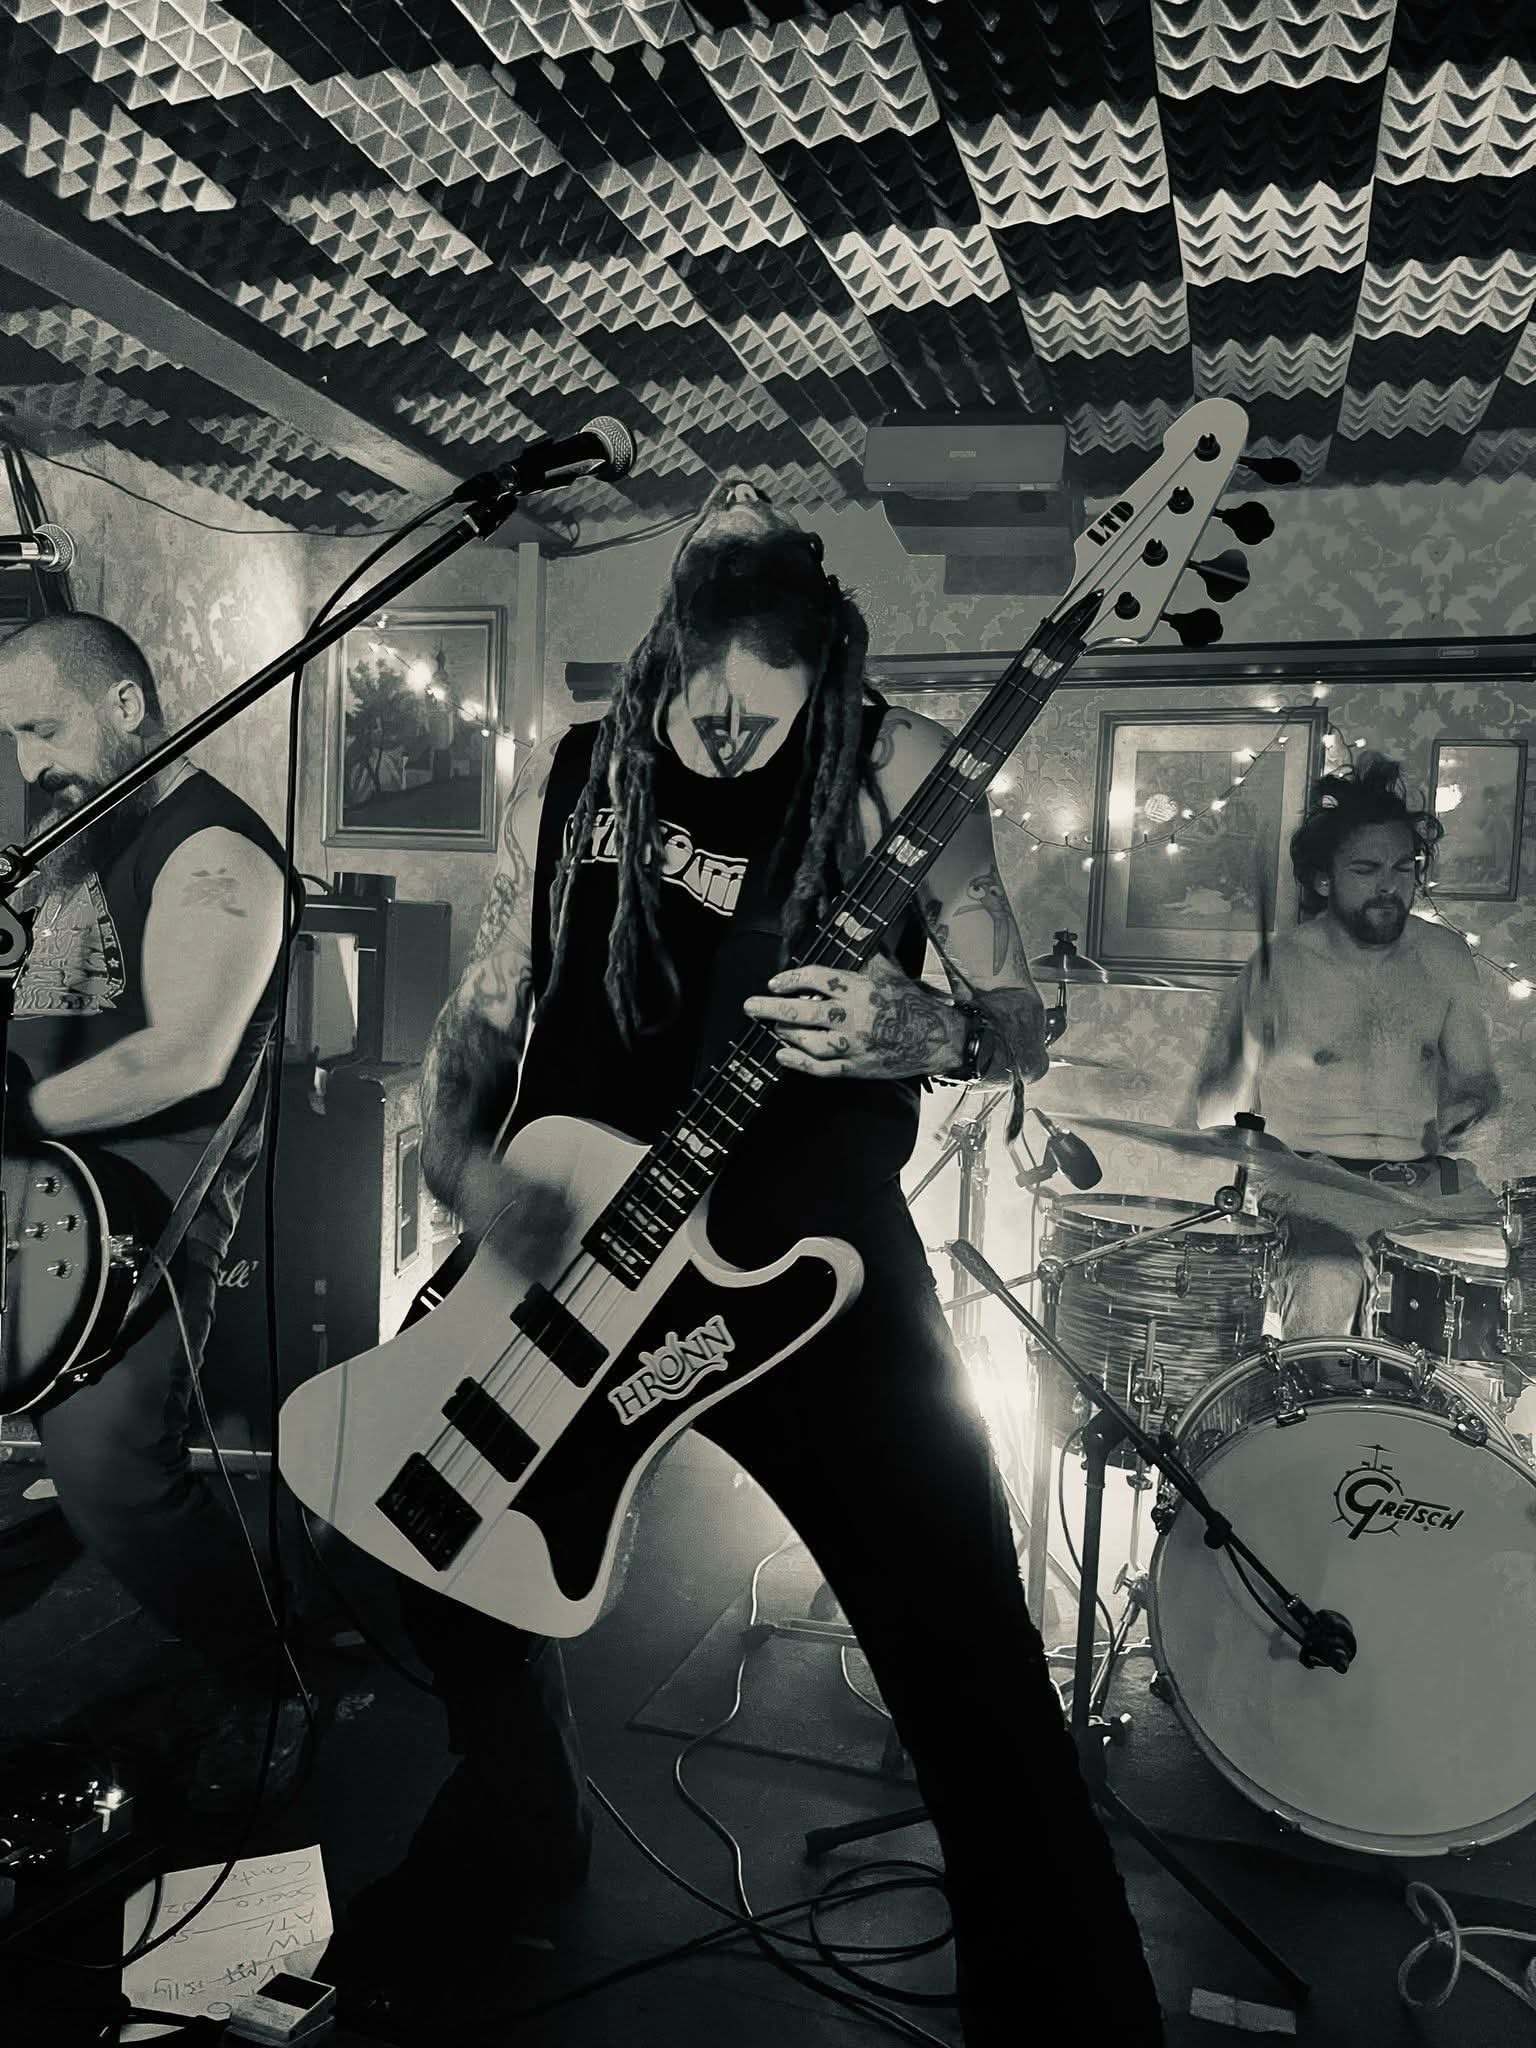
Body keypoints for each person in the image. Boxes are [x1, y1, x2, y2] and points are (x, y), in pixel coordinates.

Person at [336, 480, 1164, 2043]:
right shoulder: (575, 776)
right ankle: (521, 1822)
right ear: (666, 655)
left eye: (762, 722)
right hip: (576, 1253)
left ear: (826, 673)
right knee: (433, 1550)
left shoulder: (900, 771)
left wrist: (927, 1029)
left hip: (810, 1273)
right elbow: (483, 1017)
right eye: (703, 710)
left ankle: (1066, 2012)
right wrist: (464, 1168)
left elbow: (1022, 1018)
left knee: (970, 1663)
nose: (725, 744)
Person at [0, 613, 302, 1802]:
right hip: (32, 1185)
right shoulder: (77, 836)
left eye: (44, 728)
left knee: (114, 1472)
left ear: (127, 705)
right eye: (15, 739)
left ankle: (268, 1669)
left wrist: (17, 1115)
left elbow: (185, 1052)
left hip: (142, 1207)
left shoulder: (215, 851)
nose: (30, 763)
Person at [1194, 752, 1501, 1337]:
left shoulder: (1446, 957)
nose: (1390, 886)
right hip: (1314, 1189)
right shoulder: (1279, 966)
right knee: (1328, 1275)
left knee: (1507, 1276)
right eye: (1366, 869)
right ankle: (1315, 1394)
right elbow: (1211, 1114)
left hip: (1425, 1187)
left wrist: (1470, 1107)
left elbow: (1477, 1081)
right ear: (1324, 879)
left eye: (1404, 867)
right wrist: (1245, 1058)